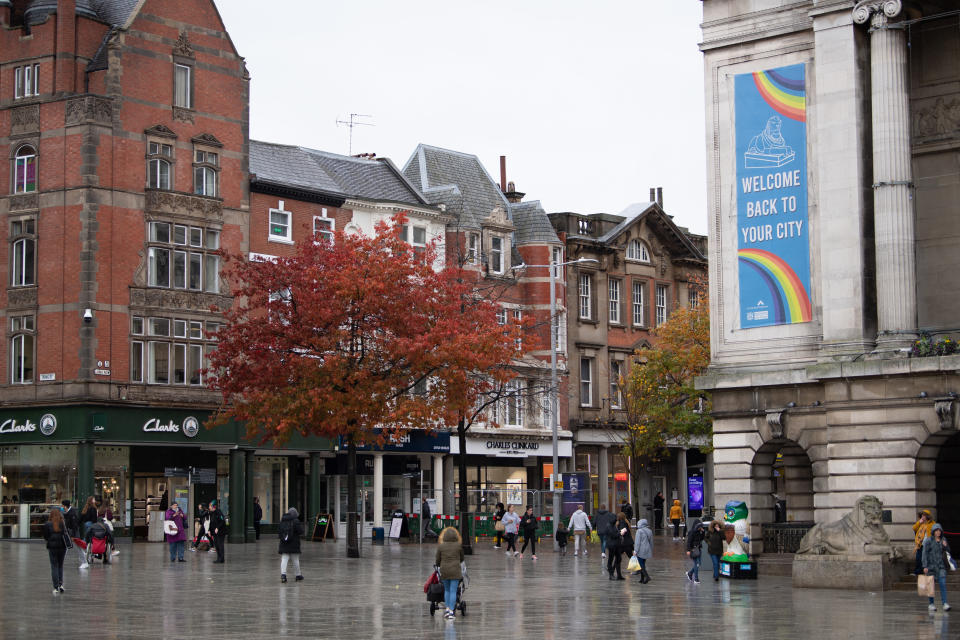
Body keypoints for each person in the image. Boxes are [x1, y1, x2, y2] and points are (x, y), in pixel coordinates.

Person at [435, 526, 464, 620]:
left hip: (444, 571)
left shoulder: (441, 546)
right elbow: (462, 558)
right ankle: (451, 611)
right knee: (453, 591)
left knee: (447, 590)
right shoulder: (458, 546)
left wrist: (439, 565)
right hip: (455, 571)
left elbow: (437, 560)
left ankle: (447, 609)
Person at [922, 523, 952, 612]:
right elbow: (924, 554)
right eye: (936, 531)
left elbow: (948, 551)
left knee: (942, 584)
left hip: (941, 566)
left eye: (939, 531)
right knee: (931, 586)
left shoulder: (943, 539)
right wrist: (925, 566)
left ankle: (945, 603)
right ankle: (931, 604)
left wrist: (946, 545)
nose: (938, 532)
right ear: (933, 531)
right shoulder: (928, 541)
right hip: (931, 567)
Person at [42, 507, 69, 594]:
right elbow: (65, 533)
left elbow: (46, 536)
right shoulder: (62, 523)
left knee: (54, 566)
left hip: (52, 547)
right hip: (62, 547)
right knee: (60, 565)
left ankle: (55, 586)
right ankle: (60, 584)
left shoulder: (47, 524)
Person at [278, 507, 305, 583]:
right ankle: (298, 575)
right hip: (294, 544)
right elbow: (301, 531)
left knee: (284, 559)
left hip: (284, 543)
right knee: (295, 560)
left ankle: (283, 575)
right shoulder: (296, 521)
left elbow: (279, 532)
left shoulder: (282, 520)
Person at [61, 500, 87, 569]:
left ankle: (84, 562)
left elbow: (75, 525)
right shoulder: (68, 512)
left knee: (78, 548)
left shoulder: (72, 513)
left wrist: (73, 535)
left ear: (65, 506)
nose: (62, 507)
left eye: (62, 506)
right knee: (66, 547)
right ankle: (61, 561)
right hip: (69, 533)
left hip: (73, 533)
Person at [606, 512, 632, 580]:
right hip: (612, 545)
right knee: (611, 559)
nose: (616, 519)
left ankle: (619, 575)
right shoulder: (609, 525)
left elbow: (616, 533)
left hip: (617, 544)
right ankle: (611, 574)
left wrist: (619, 532)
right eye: (615, 518)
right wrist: (620, 533)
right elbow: (613, 535)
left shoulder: (614, 525)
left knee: (618, 559)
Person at [914, 510, 936, 575]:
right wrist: (919, 522)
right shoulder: (921, 523)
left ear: (927, 516)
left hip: (929, 544)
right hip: (920, 544)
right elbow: (914, 528)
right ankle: (918, 571)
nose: (922, 517)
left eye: (924, 515)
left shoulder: (933, 524)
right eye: (922, 515)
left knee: (928, 558)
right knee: (918, 558)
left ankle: (929, 571)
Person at [632, 518, 653, 584]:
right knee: (643, 563)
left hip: (641, 550)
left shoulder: (639, 531)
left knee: (640, 565)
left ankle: (647, 577)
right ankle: (642, 579)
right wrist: (651, 549)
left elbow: (637, 542)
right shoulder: (649, 531)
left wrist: (635, 551)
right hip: (647, 549)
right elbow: (651, 542)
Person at [685, 518, 705, 584]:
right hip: (693, 549)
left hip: (698, 549)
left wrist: (703, 532)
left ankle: (690, 573)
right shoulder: (691, 532)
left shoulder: (700, 532)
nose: (700, 527)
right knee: (696, 564)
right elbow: (689, 541)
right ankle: (696, 579)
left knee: (699, 564)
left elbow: (702, 538)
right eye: (699, 526)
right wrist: (688, 550)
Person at [208, 499, 226, 563]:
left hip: (220, 532)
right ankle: (219, 558)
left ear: (213, 506)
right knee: (216, 545)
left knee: (220, 545)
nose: (209, 507)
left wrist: (217, 528)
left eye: (210, 506)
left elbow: (222, 521)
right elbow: (211, 522)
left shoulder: (218, 512)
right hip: (214, 532)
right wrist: (209, 530)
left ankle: (221, 558)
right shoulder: (211, 513)